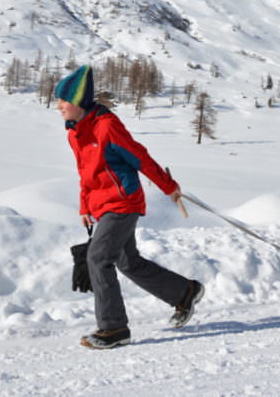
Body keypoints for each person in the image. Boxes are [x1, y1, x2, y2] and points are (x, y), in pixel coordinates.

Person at [55, 64, 204, 350]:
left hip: (123, 201)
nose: (59, 106)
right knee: (127, 261)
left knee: (98, 258)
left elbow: (140, 157)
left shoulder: (107, 127)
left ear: (79, 102)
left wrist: (167, 185)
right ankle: (185, 292)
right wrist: (84, 205)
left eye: (64, 100)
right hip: (102, 205)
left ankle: (113, 328)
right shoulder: (76, 133)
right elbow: (86, 173)